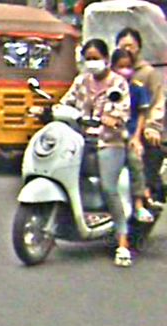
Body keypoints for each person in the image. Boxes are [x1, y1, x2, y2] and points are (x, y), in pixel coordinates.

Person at [60, 39, 132, 267]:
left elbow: (123, 113)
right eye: (88, 58)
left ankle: (123, 243)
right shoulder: (81, 81)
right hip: (82, 141)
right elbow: (66, 103)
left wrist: (112, 120)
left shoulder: (118, 84)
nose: (92, 62)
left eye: (95, 58)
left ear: (106, 59)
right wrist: (51, 109)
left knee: (109, 188)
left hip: (109, 143)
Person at [116, 27, 166, 206]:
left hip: (141, 127)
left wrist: (152, 127)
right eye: (123, 46)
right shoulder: (111, 74)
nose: (128, 49)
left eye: (131, 46)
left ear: (139, 47)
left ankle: (150, 193)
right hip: (116, 127)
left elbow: (157, 102)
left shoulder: (147, 73)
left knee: (149, 150)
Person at [111, 48, 155, 223]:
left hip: (127, 135)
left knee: (134, 161)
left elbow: (142, 114)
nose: (125, 71)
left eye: (128, 67)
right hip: (106, 135)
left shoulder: (137, 88)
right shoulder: (107, 86)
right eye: (121, 67)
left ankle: (138, 204)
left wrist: (136, 137)